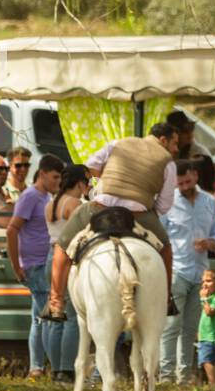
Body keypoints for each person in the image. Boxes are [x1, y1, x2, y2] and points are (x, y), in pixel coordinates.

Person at [42, 123, 182, 322]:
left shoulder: (118, 143)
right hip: (138, 214)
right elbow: (165, 204)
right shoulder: (169, 163)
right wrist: (147, 207)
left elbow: (90, 166)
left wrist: (107, 178)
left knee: (62, 246)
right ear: (163, 140)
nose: (176, 149)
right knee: (166, 248)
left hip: (100, 208)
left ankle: (56, 302)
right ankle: (166, 300)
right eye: (174, 143)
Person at [159, 159, 215, 386]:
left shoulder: (209, 201)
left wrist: (211, 243)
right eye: (180, 183)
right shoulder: (169, 203)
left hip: (201, 273)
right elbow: (160, 237)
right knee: (171, 326)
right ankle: (166, 376)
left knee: (190, 329)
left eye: (187, 181)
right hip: (177, 270)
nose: (184, 186)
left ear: (195, 176)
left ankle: (184, 377)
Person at [6, 154, 64, 379]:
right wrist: (16, 265)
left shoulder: (46, 195)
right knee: (48, 317)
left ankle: (37, 368)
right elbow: (12, 230)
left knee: (38, 318)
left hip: (44, 263)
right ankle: (56, 370)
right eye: (54, 177)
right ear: (42, 174)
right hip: (36, 265)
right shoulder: (30, 196)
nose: (57, 182)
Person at [44, 164, 91, 383]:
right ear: (81, 183)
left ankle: (55, 369)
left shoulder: (51, 203)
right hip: (69, 260)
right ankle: (66, 369)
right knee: (72, 317)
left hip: (50, 258)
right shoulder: (75, 204)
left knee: (55, 315)